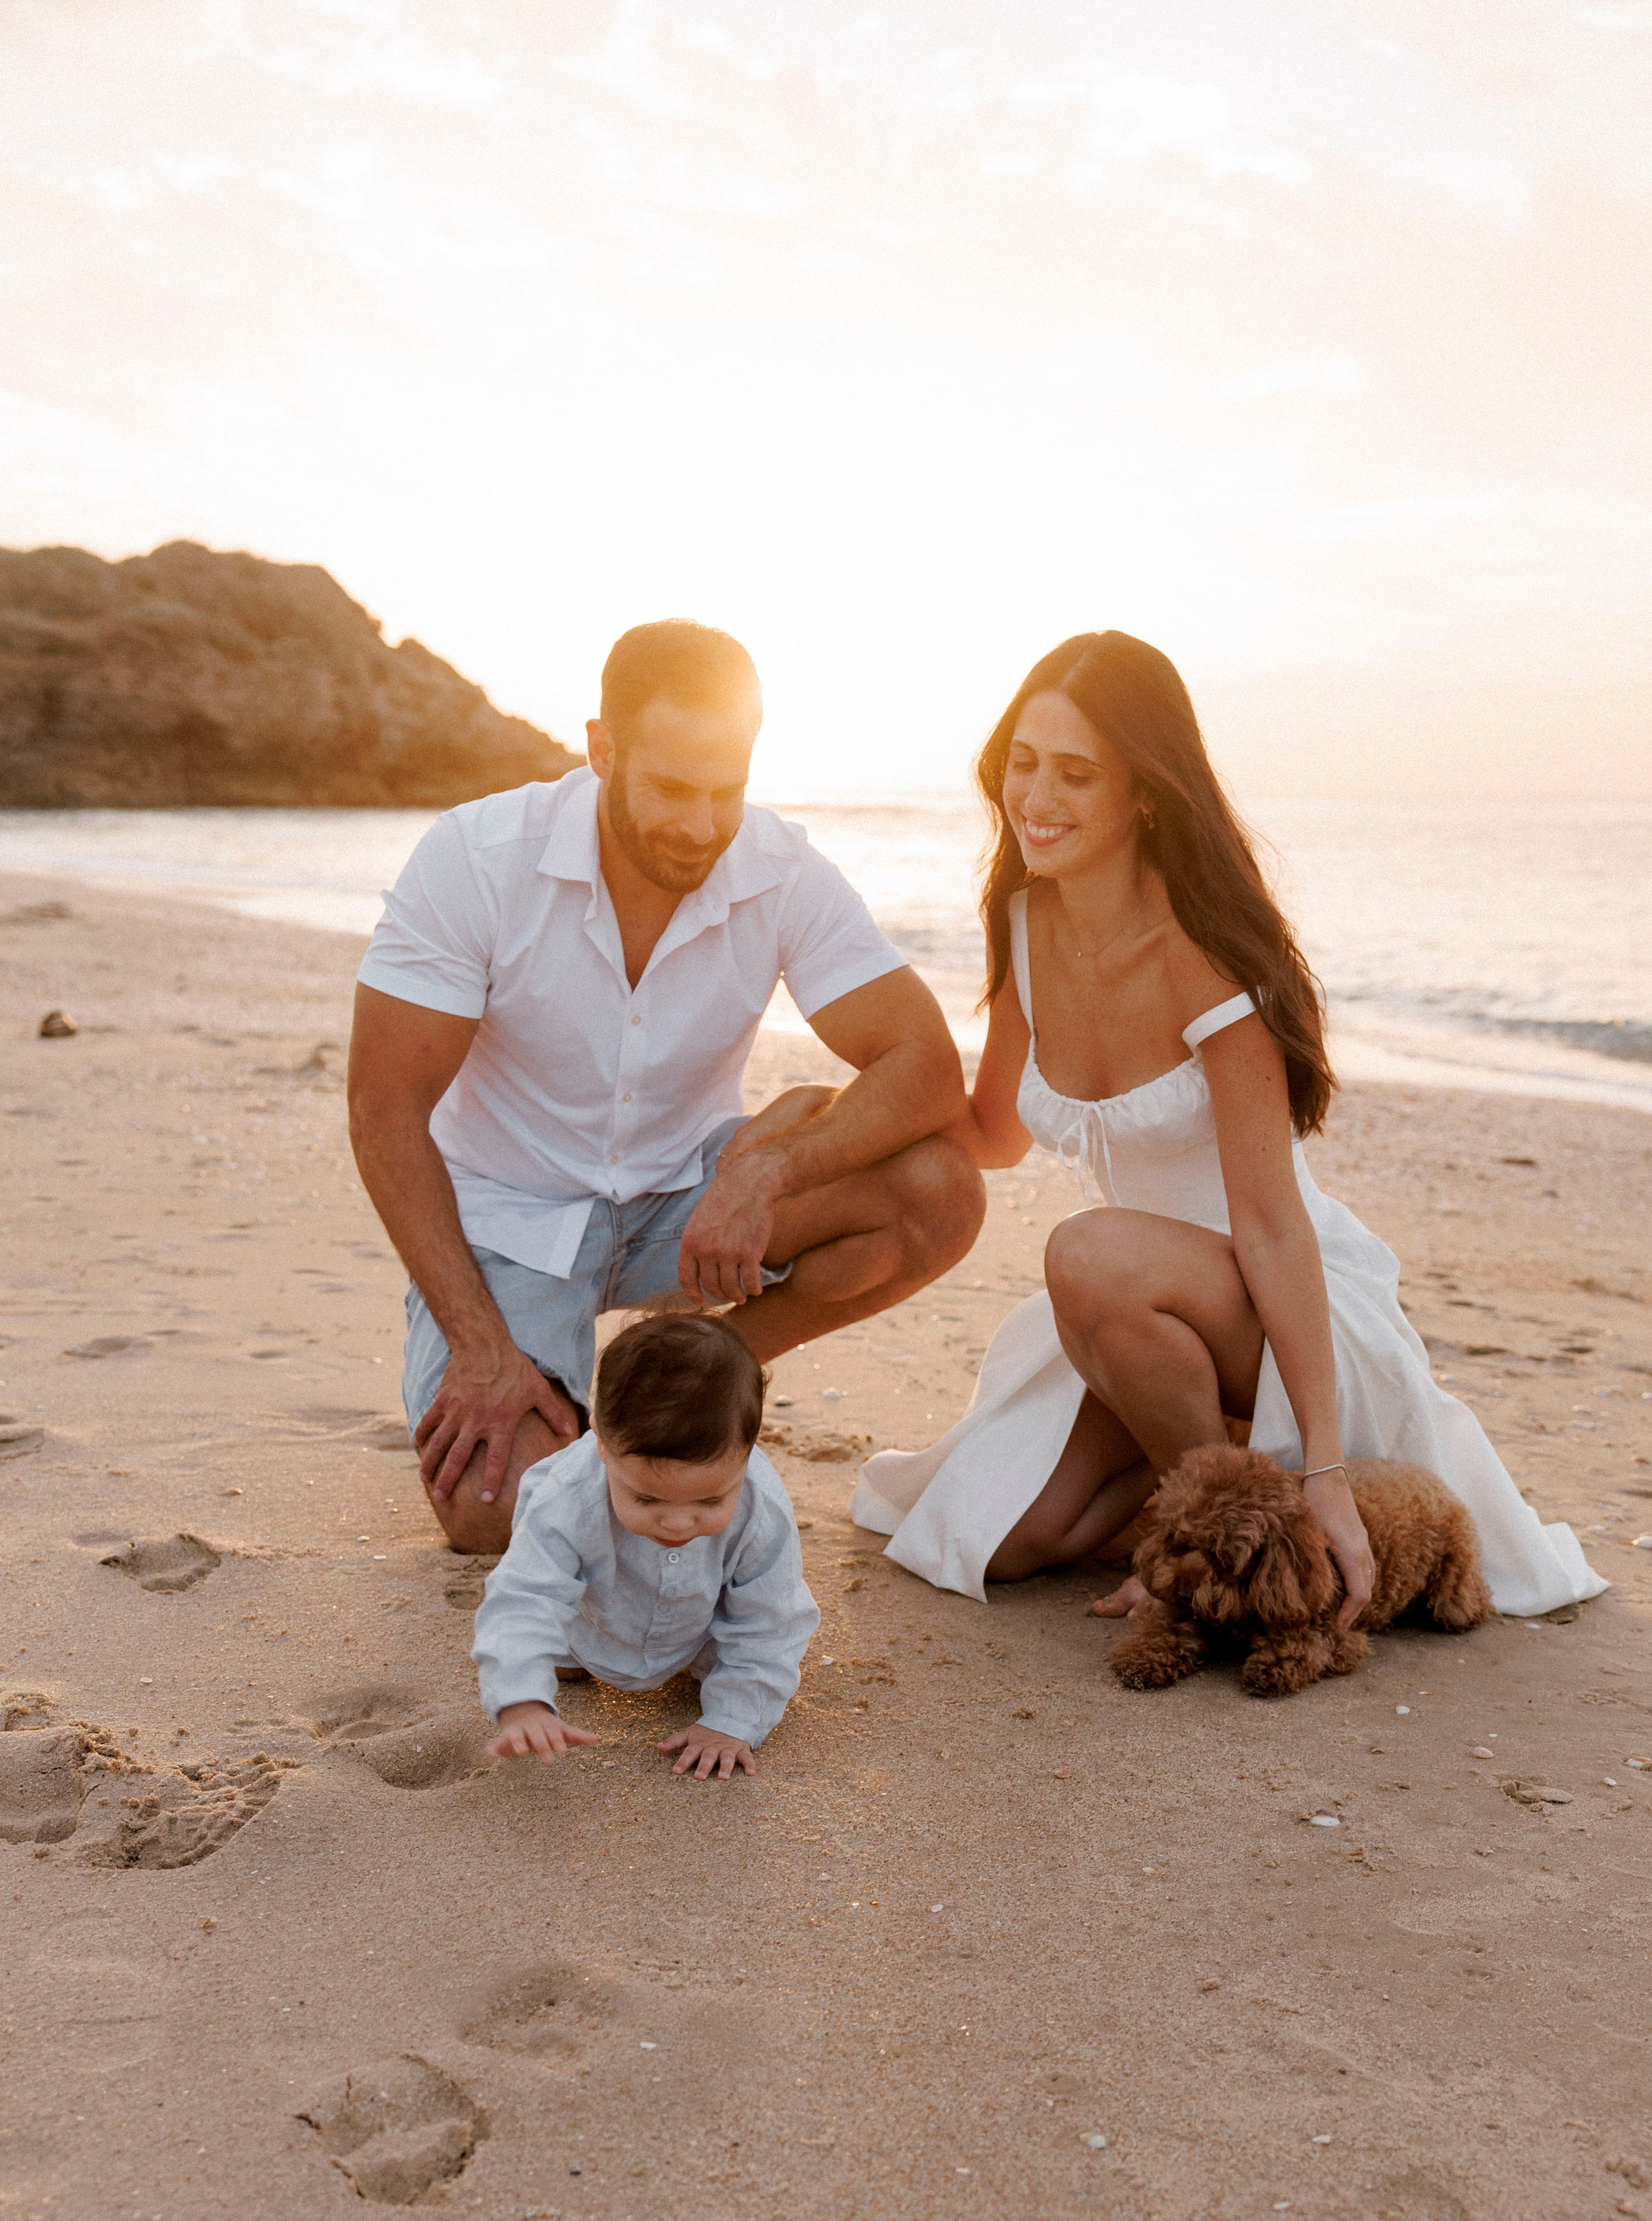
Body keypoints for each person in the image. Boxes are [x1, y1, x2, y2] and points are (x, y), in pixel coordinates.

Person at [852, 630, 1605, 1625]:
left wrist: (1330, 1466)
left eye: (1076, 774)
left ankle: (1232, 1524)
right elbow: (992, 1132)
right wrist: (845, 1128)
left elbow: (1272, 1225)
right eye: (1023, 764)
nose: (1036, 798)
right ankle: (1226, 1453)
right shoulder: (1025, 924)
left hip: (1280, 1302)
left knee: (1084, 1251)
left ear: (1146, 792)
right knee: (1019, 1540)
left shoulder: (1207, 959)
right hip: (1138, 1321)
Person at [349, 618, 984, 1554]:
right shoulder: (478, 858)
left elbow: (927, 1066)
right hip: (513, 1224)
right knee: (498, 1513)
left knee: (940, 1191)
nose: (700, 825)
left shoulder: (779, 869)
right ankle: (538, 1364)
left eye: (726, 791)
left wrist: (759, 1177)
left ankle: (706, 1368)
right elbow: (384, 1108)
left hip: (686, 1206)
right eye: (672, 789)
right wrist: (483, 1351)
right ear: (602, 750)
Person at [475, 1313, 817, 1782]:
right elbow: (525, 1594)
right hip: (589, 1623)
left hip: (702, 1631)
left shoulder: (763, 1507)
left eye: (712, 1499)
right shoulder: (567, 1496)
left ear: (748, 1451)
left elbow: (771, 1618)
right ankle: (571, 1656)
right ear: (601, 1442)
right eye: (647, 1498)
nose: (678, 1522)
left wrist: (732, 1720)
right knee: (548, 1648)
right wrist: (522, 1700)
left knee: (744, 1652)